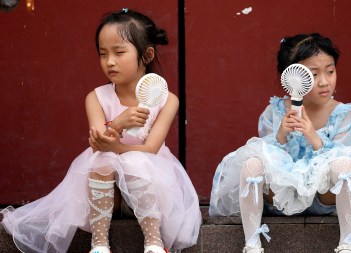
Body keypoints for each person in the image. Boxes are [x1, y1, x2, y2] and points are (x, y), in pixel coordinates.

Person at [209, 33, 351, 253]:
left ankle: (347, 243)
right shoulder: (276, 110)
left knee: (344, 165)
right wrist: (281, 135)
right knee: (252, 162)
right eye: (313, 74)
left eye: (330, 71)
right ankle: (252, 244)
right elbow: (268, 156)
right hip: (282, 196)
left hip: (325, 196)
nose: (324, 82)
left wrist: (314, 137)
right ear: (292, 78)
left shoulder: (339, 112)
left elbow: (349, 157)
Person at [1, 8, 201, 253]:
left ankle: (154, 243)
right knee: (102, 160)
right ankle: (99, 244)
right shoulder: (96, 97)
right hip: (109, 194)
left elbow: (149, 149)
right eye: (103, 53)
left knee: (135, 160)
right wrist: (118, 123)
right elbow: (98, 143)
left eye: (119, 52)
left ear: (147, 54)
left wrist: (116, 146)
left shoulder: (167, 100)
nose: (110, 62)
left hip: (151, 184)